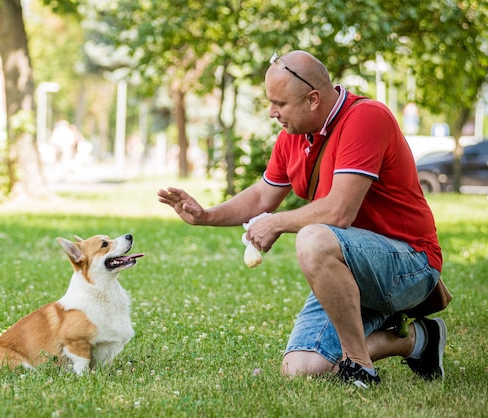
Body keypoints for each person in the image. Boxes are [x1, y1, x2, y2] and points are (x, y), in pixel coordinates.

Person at [157, 50, 446, 388]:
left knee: (313, 238)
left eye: (279, 103)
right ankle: (418, 340)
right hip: (351, 268)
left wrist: (276, 222)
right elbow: (263, 196)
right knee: (302, 369)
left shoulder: (367, 118)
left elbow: (339, 211)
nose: (271, 112)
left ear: (312, 99)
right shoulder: (292, 137)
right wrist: (206, 216)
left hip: (410, 263)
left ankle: (359, 367)